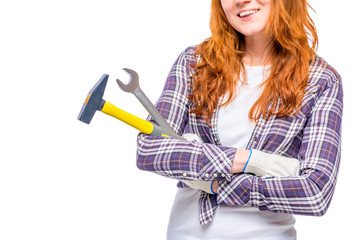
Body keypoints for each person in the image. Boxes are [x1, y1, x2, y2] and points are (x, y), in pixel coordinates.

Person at [136, 0, 343, 239]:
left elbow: (315, 193)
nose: (241, 0)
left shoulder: (320, 79)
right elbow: (149, 149)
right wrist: (248, 160)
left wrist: (213, 182)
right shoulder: (194, 62)